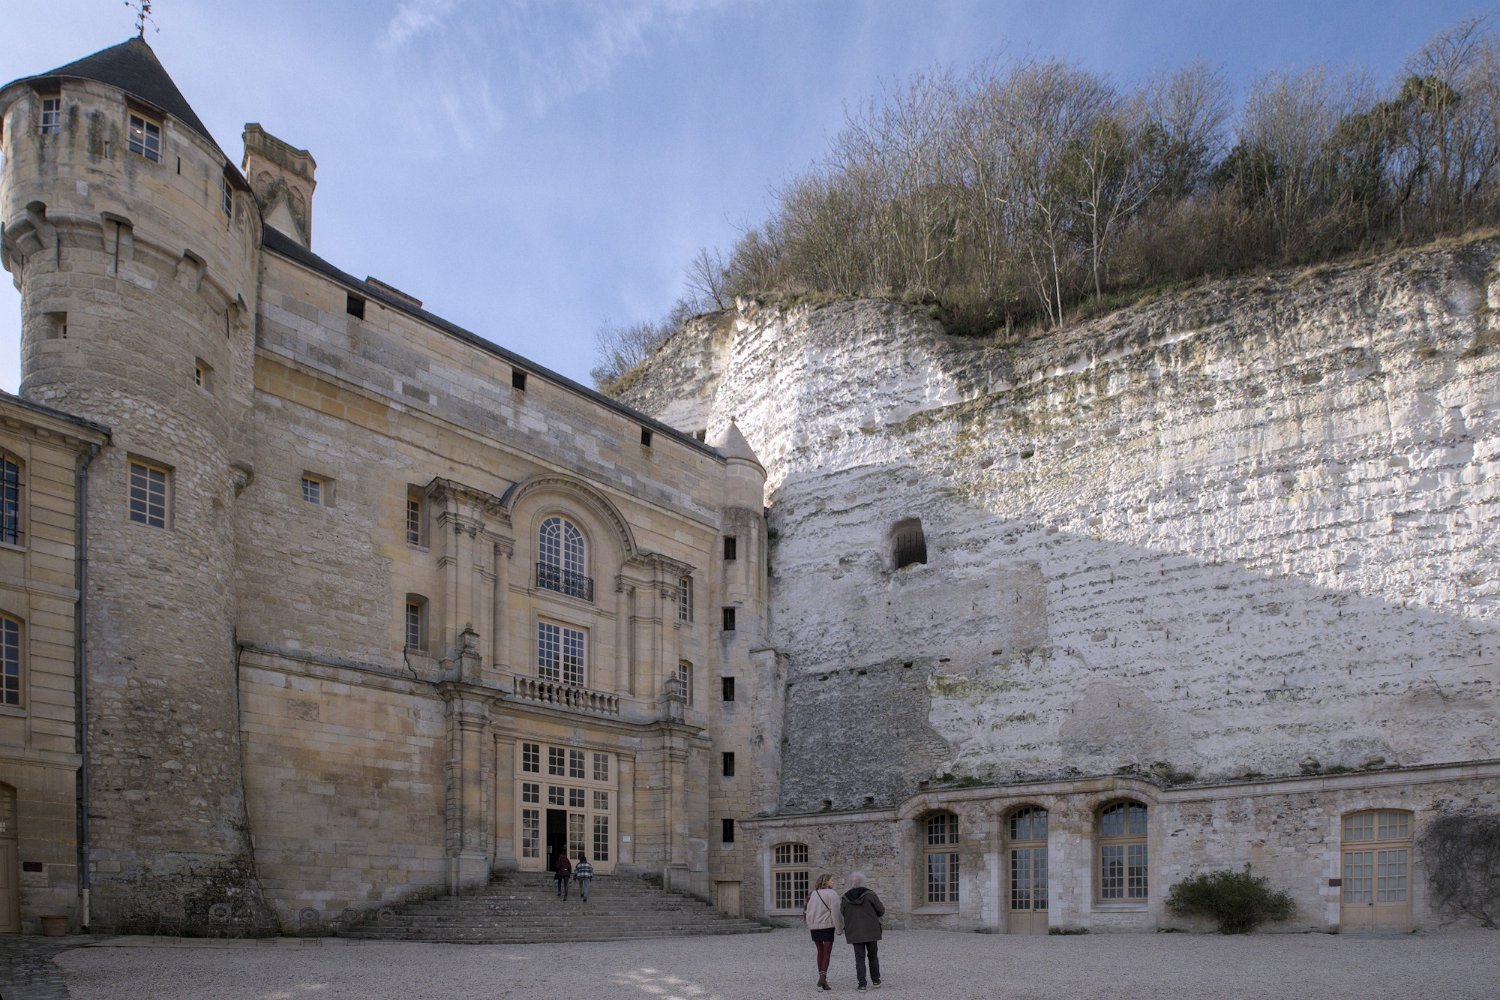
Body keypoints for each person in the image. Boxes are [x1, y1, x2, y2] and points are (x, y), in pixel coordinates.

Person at [841, 871, 885, 992]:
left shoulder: (845, 897)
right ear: (862, 881)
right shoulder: (870, 894)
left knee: (859, 958)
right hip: (871, 930)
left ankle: (862, 984)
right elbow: (881, 910)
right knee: (873, 956)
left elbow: (843, 912)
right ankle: (876, 980)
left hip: (855, 931)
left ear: (850, 882)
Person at [802, 873, 843, 991]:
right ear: (826, 882)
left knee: (820, 951)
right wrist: (839, 928)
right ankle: (822, 979)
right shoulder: (832, 894)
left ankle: (821, 978)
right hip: (827, 926)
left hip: (814, 927)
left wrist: (810, 924)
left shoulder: (812, 894)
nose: (833, 882)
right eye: (831, 880)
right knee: (827, 952)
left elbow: (807, 911)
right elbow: (836, 913)